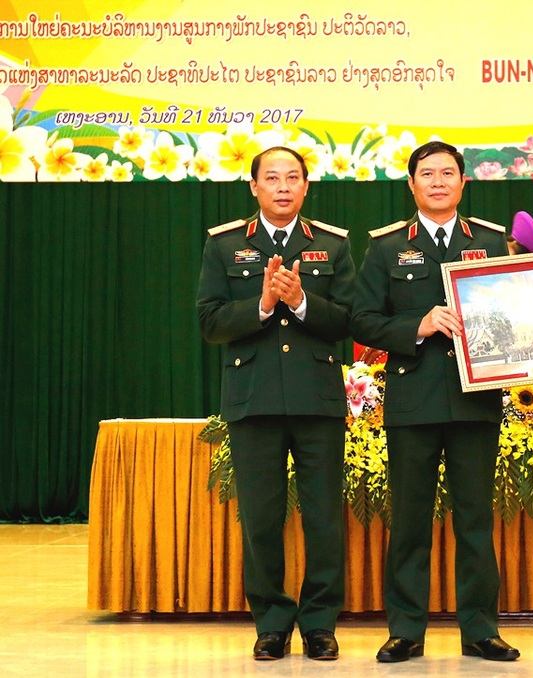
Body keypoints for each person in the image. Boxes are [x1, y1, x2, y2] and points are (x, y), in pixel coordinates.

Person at [350, 141, 520, 663]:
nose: (439, 181)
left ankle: (480, 630)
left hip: (475, 403)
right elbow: (361, 319)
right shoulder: (385, 248)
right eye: (428, 174)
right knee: (409, 522)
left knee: (474, 521)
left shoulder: (492, 242)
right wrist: (416, 326)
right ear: (412, 184)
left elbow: (518, 316)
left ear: (464, 182)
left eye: (449, 173)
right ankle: (405, 630)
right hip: (413, 401)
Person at [196, 147, 355, 661]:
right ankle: (270, 622)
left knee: (324, 518)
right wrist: (263, 305)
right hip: (253, 400)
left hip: (317, 399)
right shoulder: (224, 246)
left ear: (306, 187)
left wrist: (301, 302)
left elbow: (351, 321)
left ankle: (319, 624)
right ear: (254, 187)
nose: (283, 186)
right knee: (262, 519)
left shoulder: (331, 245)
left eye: (293, 178)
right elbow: (210, 322)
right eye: (272, 178)